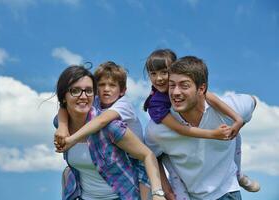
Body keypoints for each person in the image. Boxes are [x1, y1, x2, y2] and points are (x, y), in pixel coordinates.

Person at [143, 49, 260, 198]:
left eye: (184, 85)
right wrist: (164, 190)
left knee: (237, 137)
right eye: (172, 85)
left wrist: (237, 121)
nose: (159, 78)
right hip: (194, 193)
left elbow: (251, 101)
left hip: (227, 191)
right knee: (169, 163)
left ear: (201, 88)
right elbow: (176, 132)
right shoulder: (157, 118)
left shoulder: (226, 105)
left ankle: (239, 175)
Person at [54, 65, 165, 200]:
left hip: (134, 169)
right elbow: (63, 109)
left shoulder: (113, 121)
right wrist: (62, 126)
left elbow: (101, 121)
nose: (83, 96)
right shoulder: (62, 123)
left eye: (88, 91)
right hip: (81, 195)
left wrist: (157, 193)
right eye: (75, 91)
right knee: (67, 173)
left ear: (123, 90)